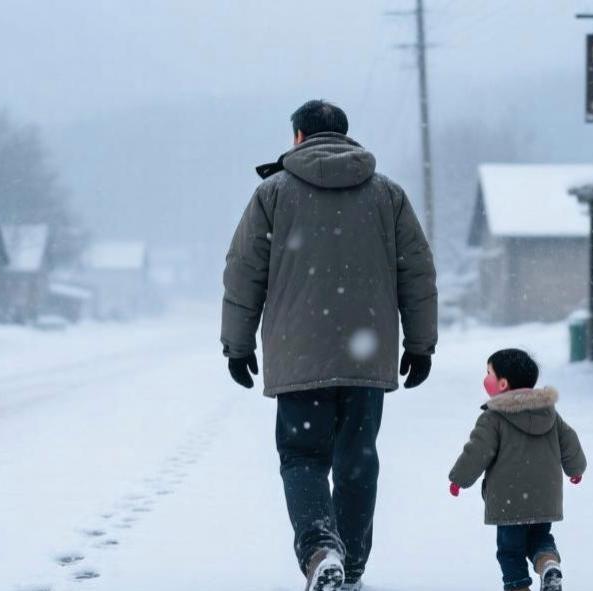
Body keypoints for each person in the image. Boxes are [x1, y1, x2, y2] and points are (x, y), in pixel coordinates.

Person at [221, 99, 438, 591]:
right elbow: (418, 273)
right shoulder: (387, 194)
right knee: (357, 460)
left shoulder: (273, 193)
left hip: (298, 357)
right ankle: (351, 569)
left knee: (303, 457)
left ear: (298, 137)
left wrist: (237, 344)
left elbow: (243, 272)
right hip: (367, 357)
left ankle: (321, 551)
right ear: (345, 135)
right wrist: (420, 343)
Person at [448, 349, 586, 591]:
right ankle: (548, 563)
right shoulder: (550, 413)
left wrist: (460, 478)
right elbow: (569, 441)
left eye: (489, 373)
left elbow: (477, 451)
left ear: (502, 384)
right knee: (540, 538)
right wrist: (575, 469)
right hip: (545, 495)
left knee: (510, 551)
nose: (485, 378)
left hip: (509, 499)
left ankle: (518, 587)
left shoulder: (493, 417)